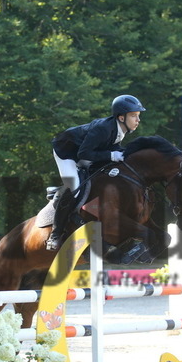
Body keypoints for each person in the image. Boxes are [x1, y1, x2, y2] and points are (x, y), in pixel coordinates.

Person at [45, 94, 146, 251]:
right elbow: (83, 154)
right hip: (66, 152)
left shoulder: (120, 130)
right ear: (121, 117)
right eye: (134, 116)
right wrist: (111, 155)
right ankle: (55, 235)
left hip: (84, 152)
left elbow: (108, 149)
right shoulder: (103, 128)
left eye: (138, 116)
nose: (138, 120)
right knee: (74, 186)